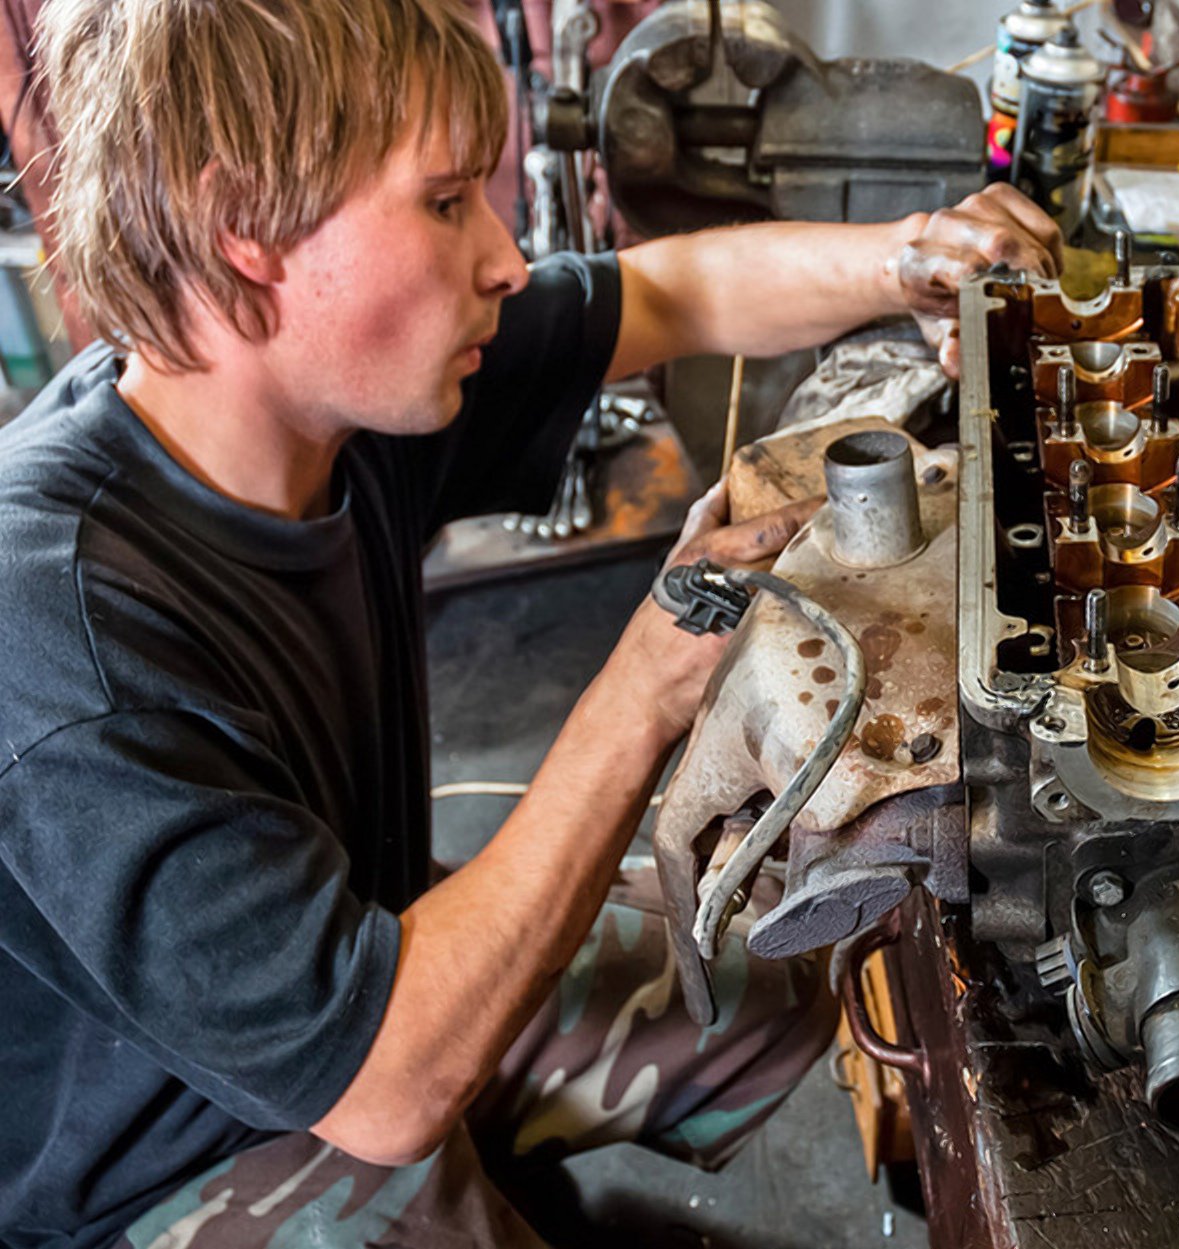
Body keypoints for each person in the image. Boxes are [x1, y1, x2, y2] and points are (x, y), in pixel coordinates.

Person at [0, 1, 1062, 1245]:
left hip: (351, 977)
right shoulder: (61, 639)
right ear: (243, 225)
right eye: (448, 201)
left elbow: (667, 293)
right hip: (175, 1161)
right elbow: (387, 1083)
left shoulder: (309, 406)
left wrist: (908, 259)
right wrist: (650, 682)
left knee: (760, 961)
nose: (504, 257)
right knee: (420, 1120)